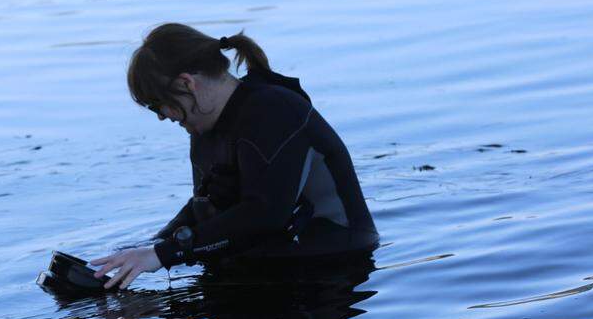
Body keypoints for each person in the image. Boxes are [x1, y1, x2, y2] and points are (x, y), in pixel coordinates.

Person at [91, 23, 379, 289]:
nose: (161, 118)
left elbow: (265, 214)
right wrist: (141, 252)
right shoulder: (205, 130)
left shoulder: (274, 111)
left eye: (157, 106)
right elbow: (206, 207)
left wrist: (163, 253)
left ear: (186, 84)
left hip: (333, 272)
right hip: (267, 272)